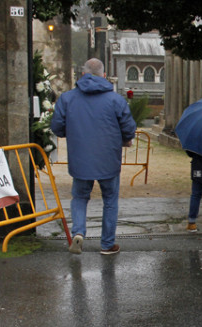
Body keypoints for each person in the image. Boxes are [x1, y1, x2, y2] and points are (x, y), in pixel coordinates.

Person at [51, 58, 137, 255]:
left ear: (83, 74)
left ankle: (78, 233)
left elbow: (57, 127)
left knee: (80, 197)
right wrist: (124, 138)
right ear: (104, 76)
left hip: (80, 158)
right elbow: (129, 128)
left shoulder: (67, 98)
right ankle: (107, 244)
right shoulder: (115, 100)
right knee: (110, 200)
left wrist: (71, 132)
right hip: (108, 158)